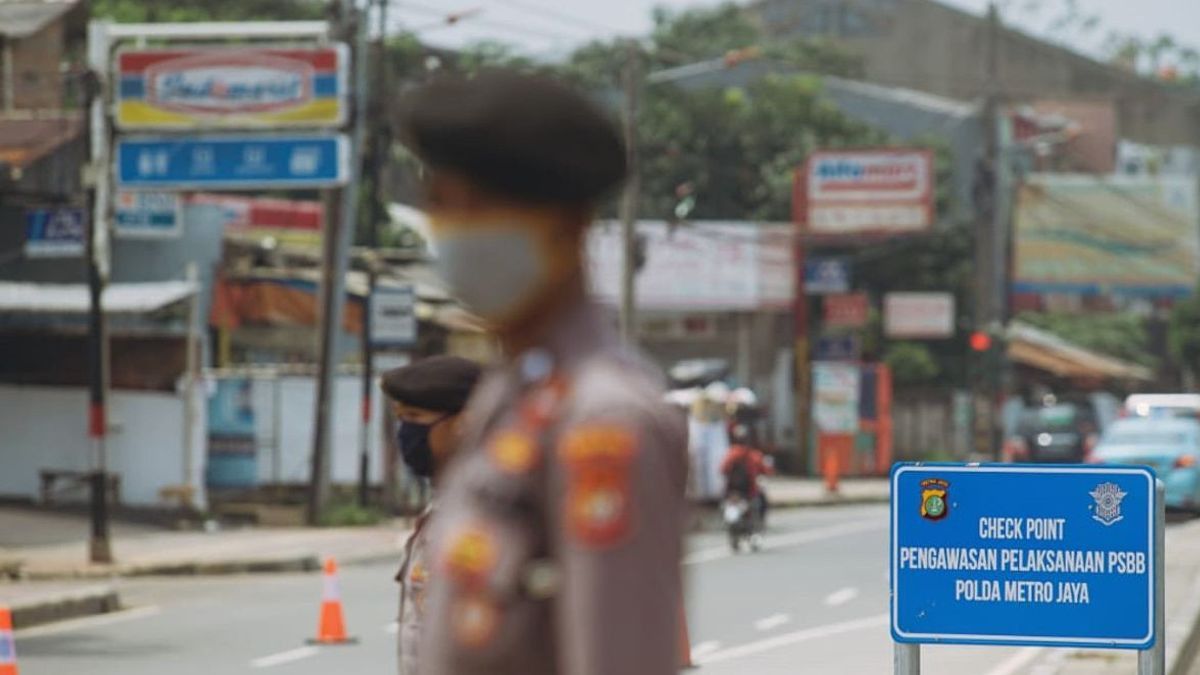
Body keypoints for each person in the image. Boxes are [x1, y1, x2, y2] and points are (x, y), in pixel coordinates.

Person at [395, 69, 689, 675]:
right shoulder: (511, 398)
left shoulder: (602, 421)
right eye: (443, 208)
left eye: (479, 209)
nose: (454, 235)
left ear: (566, 223)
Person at [381, 356, 483, 675]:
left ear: (465, 423)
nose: (405, 433)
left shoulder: (483, 513)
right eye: (401, 418)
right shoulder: (443, 507)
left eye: (414, 417)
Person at [720, 425, 774, 526]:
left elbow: (723, 469)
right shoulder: (754, 455)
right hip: (749, 490)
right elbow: (766, 471)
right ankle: (760, 523)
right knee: (762, 499)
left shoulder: (730, 453)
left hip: (731, 489)